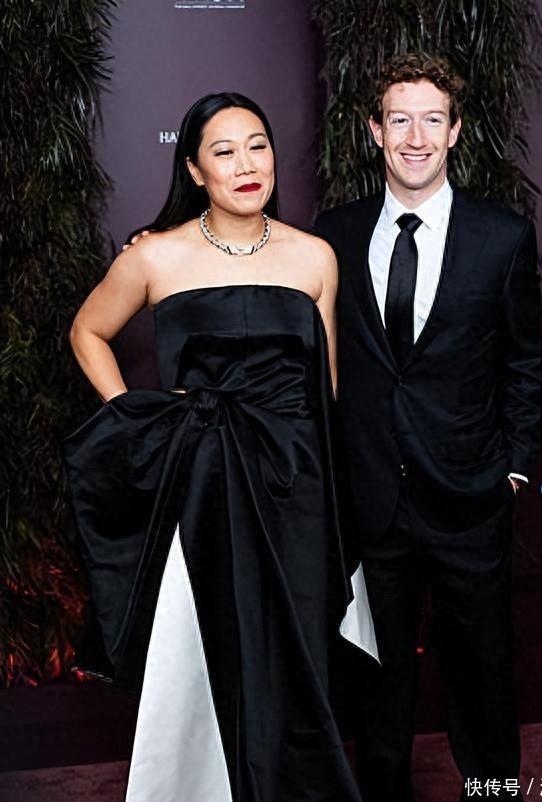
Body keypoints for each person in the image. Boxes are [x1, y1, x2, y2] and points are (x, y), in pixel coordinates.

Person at [61, 92, 377, 802]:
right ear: (195, 170)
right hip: (203, 478)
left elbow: (325, 389)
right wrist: (138, 418)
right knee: (212, 644)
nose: (246, 164)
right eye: (224, 151)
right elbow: (88, 331)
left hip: (296, 482)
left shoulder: (314, 257)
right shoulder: (157, 255)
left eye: (258, 145)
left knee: (297, 646)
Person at [315, 53, 542, 802]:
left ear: (455, 131)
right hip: (371, 502)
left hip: (469, 499)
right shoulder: (334, 235)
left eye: (432, 120)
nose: (416, 137)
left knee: (482, 680)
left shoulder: (502, 236)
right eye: (400, 120)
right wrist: (155, 245)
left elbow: (523, 362)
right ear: (374, 130)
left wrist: (513, 469)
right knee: (378, 689)